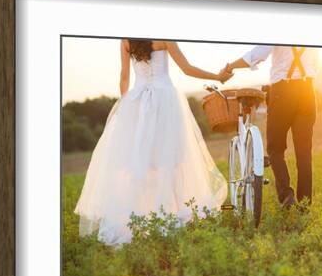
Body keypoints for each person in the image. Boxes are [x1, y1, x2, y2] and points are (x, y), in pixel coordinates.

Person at [74, 39, 233, 245]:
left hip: (138, 102)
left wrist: (126, 108)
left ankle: (143, 216)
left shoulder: (126, 41)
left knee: (142, 162)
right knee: (172, 161)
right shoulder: (165, 38)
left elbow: (124, 77)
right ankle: (174, 212)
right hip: (165, 100)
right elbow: (187, 69)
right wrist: (217, 77)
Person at [224, 45, 318, 207]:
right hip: (308, 91)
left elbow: (255, 55)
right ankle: (304, 205)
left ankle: (286, 195)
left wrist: (230, 67)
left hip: (283, 91)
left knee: (275, 148)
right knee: (304, 152)